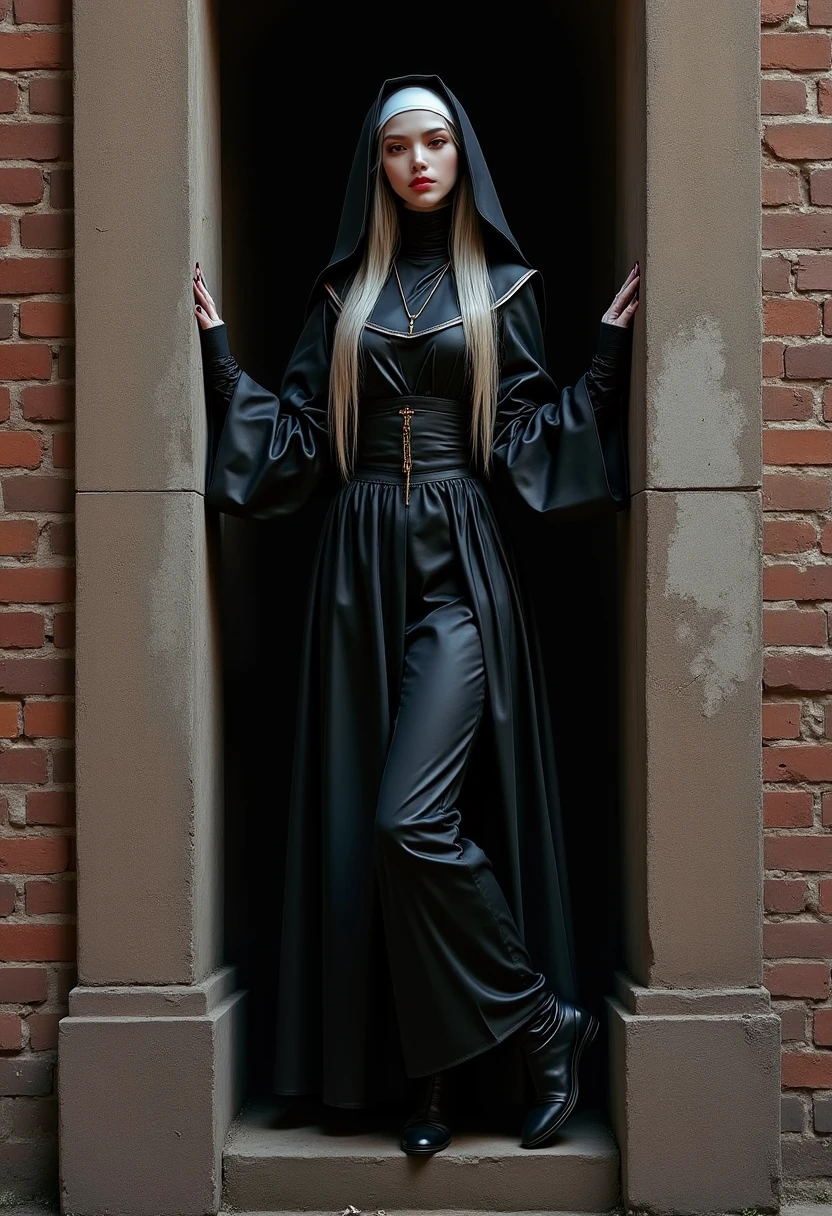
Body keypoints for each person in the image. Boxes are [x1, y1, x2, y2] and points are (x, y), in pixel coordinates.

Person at [194, 74, 638, 1157]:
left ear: (461, 155)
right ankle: (425, 1086)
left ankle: (541, 1020)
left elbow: (533, 445)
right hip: (352, 574)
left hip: (458, 576)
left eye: (437, 142)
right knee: (367, 836)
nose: (421, 162)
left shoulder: (504, 289)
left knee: (411, 820)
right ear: (378, 167)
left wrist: (610, 354)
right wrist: (216, 356)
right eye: (400, 147)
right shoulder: (341, 298)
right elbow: (295, 444)